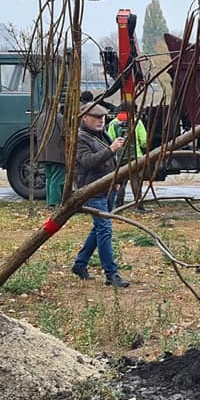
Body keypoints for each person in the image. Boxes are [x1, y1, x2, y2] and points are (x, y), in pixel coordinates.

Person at [70, 102, 131, 288]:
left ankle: (80, 265)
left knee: (99, 229)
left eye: (102, 117)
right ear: (85, 118)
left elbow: (110, 163)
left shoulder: (100, 135)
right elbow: (87, 162)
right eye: (96, 118)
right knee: (104, 230)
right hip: (92, 190)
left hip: (108, 189)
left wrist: (116, 182)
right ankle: (111, 274)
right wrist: (111, 149)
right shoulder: (80, 137)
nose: (100, 121)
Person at [34, 91, 96, 208]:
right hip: (57, 154)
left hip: (43, 153)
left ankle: (49, 201)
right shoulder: (59, 118)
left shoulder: (41, 117)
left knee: (49, 178)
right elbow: (66, 134)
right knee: (57, 179)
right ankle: (54, 203)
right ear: (56, 106)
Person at [107, 102, 148, 210]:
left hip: (119, 158)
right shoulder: (137, 122)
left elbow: (110, 141)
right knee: (136, 181)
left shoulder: (113, 123)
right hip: (136, 157)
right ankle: (139, 206)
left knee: (121, 182)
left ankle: (118, 205)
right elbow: (144, 141)